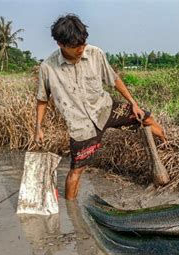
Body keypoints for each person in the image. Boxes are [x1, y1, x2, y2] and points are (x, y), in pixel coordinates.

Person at [35, 14, 166, 200]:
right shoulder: (48, 68)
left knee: (145, 118)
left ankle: (168, 147)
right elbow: (42, 99)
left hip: (106, 109)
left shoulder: (95, 53)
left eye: (83, 44)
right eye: (75, 47)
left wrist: (133, 103)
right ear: (60, 44)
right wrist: (38, 128)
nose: (81, 49)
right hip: (81, 126)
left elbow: (114, 79)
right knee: (76, 170)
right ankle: (72, 212)